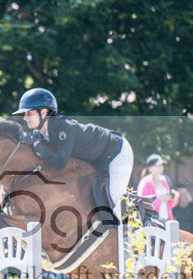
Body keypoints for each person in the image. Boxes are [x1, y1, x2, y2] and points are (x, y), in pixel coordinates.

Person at [14, 88, 134, 219]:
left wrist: (38, 147)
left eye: (29, 113)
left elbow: (59, 163)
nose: (25, 117)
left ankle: (137, 226)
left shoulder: (65, 127)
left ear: (43, 112)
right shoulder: (40, 134)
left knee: (115, 195)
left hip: (117, 151)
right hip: (99, 159)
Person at [136, 154, 177, 221]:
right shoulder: (145, 183)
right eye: (158, 166)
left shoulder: (164, 180)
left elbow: (169, 204)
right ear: (150, 168)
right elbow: (143, 205)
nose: (161, 167)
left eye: (162, 165)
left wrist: (174, 198)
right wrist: (160, 200)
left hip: (167, 218)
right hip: (152, 220)